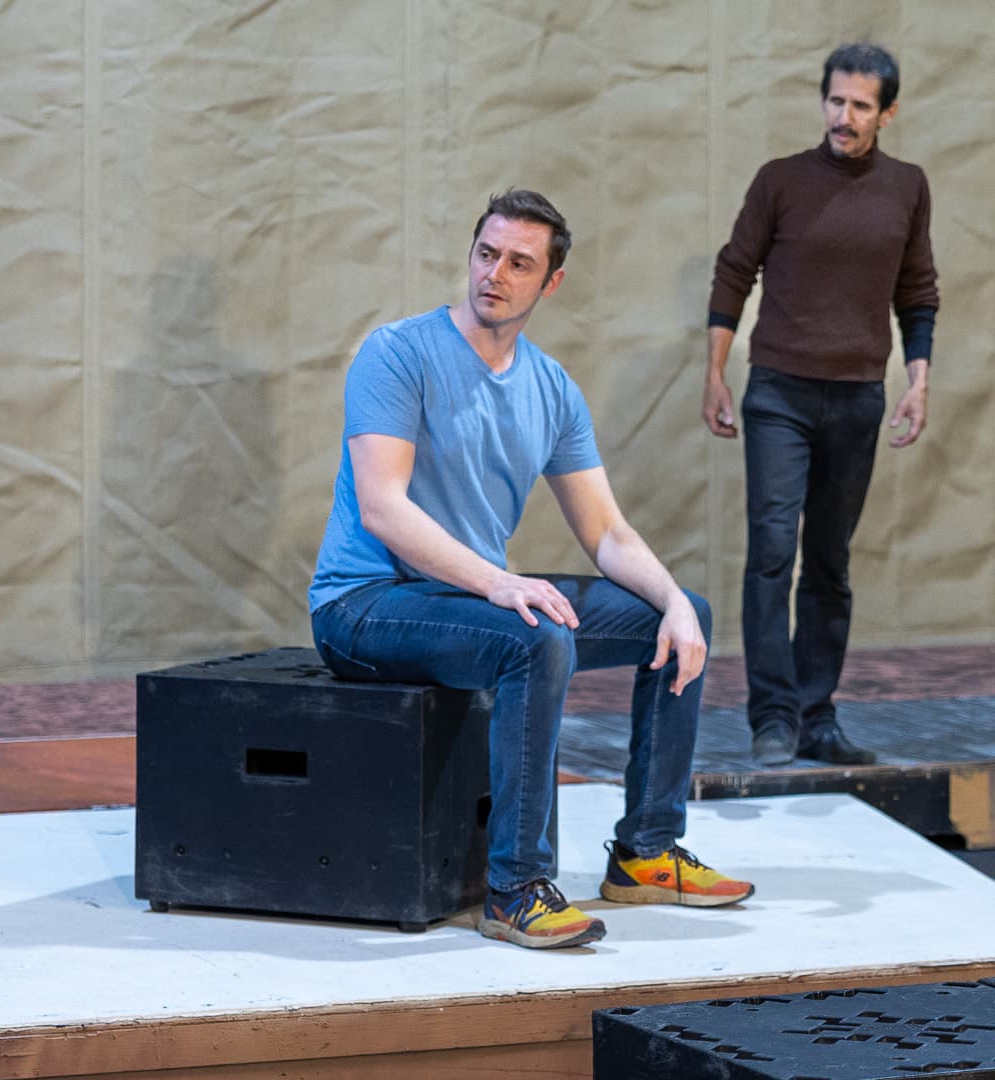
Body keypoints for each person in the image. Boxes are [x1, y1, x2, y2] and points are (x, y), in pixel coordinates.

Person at [310, 189, 754, 951]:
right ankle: (515, 889)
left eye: (519, 263)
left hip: (467, 598)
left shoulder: (550, 389)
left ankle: (645, 851)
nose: (496, 274)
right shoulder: (398, 353)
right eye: (487, 254)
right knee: (535, 637)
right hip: (367, 604)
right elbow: (383, 507)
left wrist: (673, 598)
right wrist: (497, 580)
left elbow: (606, 531)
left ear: (549, 283)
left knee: (682, 619)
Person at [704, 42, 939, 768]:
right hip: (779, 392)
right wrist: (714, 372)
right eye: (835, 100)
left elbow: (918, 291)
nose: (844, 115)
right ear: (824, 101)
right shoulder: (781, 181)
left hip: (859, 397)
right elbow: (734, 271)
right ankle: (771, 716)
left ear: (887, 113)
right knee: (773, 552)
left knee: (830, 562)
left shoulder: (907, 186)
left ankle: (817, 716)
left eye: (861, 105)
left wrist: (919, 379)